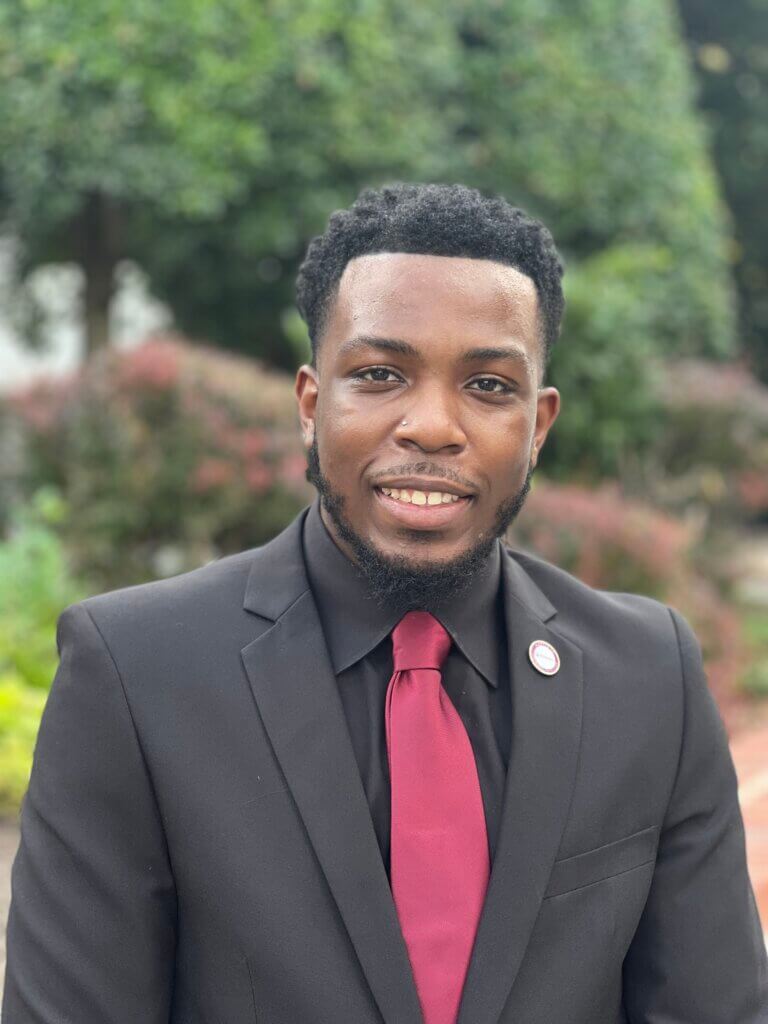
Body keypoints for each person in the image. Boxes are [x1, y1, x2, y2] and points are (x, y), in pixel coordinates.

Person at [3, 182, 767, 1024]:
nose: (433, 425)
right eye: (379, 374)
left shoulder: (649, 675)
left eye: (487, 386)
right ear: (310, 403)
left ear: (539, 425)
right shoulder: (135, 673)